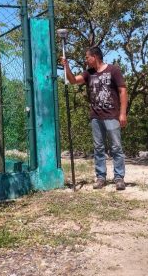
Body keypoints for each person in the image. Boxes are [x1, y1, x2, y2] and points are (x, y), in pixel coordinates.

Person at [61, 46, 128, 190]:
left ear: (95, 56)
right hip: (95, 117)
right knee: (98, 148)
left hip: (112, 115)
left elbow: (123, 91)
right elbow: (73, 81)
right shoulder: (88, 73)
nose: (86, 60)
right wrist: (66, 67)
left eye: (87, 57)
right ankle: (100, 178)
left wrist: (122, 113)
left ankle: (119, 178)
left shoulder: (113, 70)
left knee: (116, 147)